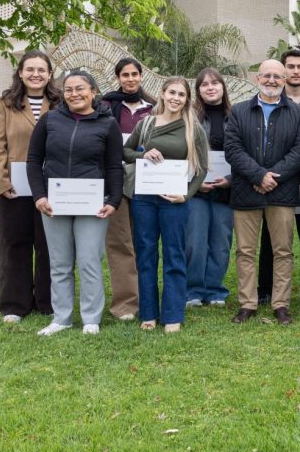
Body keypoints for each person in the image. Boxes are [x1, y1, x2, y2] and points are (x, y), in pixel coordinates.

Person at [26, 70, 124, 336]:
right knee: (59, 263)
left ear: (93, 91)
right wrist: (39, 196)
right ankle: (62, 318)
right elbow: (34, 161)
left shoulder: (107, 123)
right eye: (68, 89)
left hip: (93, 203)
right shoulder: (49, 121)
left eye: (80, 88)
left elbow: (115, 166)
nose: (74, 94)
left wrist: (113, 200)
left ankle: (91, 318)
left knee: (89, 260)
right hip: (54, 203)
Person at [224, 59, 300, 325]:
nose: (272, 80)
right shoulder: (238, 111)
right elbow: (233, 149)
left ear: (285, 81)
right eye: (267, 76)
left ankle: (281, 304)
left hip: (281, 192)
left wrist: (272, 177)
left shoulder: (297, 113)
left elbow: (299, 151)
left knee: (283, 250)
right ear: (257, 78)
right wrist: (258, 175)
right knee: (245, 251)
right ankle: (247, 303)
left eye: (278, 76)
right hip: (246, 191)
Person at [124, 77, 209, 333]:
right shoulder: (146, 123)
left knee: (174, 255)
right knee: (146, 255)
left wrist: (186, 195)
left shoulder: (193, 128)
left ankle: (173, 314)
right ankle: (149, 313)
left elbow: (202, 168)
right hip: (144, 199)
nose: (175, 98)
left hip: (174, 201)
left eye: (181, 95)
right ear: (162, 94)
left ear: (187, 100)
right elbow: (125, 152)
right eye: (171, 92)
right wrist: (143, 154)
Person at [0, 50, 59, 325]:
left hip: (52, 187)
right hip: (14, 188)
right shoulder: (6, 103)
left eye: (42, 70)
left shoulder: (60, 102)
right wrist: (1, 182)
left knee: (49, 245)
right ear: (20, 72)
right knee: (14, 244)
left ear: (50, 74)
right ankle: (14, 304)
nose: (36, 74)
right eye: (30, 69)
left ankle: (47, 301)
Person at [259, 48, 300, 304]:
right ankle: (265, 288)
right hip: (277, 181)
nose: (295, 71)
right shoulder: (272, 100)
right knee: (271, 239)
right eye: (291, 66)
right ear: (283, 70)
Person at [97, 57, 155, 321]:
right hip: (115, 180)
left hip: (148, 182)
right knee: (120, 242)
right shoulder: (104, 106)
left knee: (145, 241)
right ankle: (125, 305)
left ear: (140, 76)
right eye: (125, 75)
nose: (130, 79)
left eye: (134, 74)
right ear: (118, 78)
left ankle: (149, 299)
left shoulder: (154, 107)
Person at [185, 68, 234, 308]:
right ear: (198, 91)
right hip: (197, 189)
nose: (210, 87)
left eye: (215, 83)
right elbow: (182, 153)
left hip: (226, 188)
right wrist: (194, 182)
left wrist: (231, 180)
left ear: (223, 87)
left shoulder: (236, 115)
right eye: (204, 84)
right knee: (194, 240)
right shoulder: (189, 117)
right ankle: (193, 289)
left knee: (221, 241)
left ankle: (216, 290)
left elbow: (245, 152)